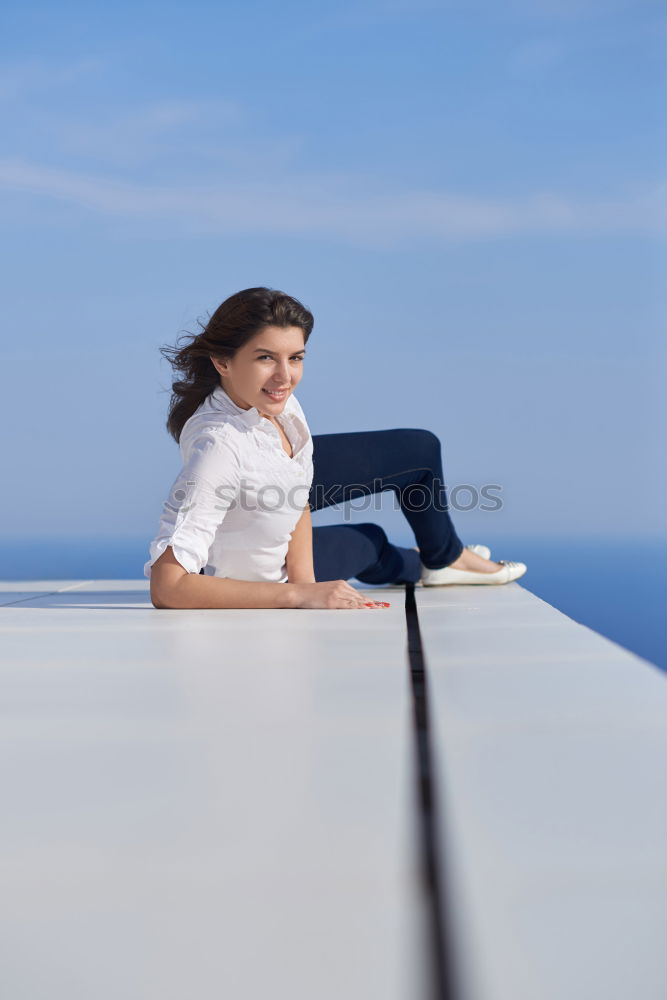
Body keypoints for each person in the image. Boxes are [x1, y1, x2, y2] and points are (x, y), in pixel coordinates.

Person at [145, 287, 526, 610]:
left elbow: (298, 487)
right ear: (222, 362)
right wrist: (298, 595)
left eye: (295, 358)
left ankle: (443, 557)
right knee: (371, 541)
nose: (284, 376)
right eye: (265, 357)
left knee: (418, 451)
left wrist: (308, 583)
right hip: (254, 579)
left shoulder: (278, 405)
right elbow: (168, 586)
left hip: (279, 537)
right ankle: (433, 565)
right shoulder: (218, 450)